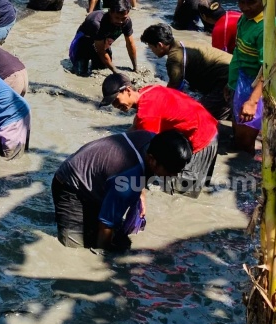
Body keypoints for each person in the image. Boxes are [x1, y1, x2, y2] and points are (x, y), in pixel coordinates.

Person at [52, 130, 192, 252]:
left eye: (178, 171)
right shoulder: (128, 182)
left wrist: (140, 193)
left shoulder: (155, 140)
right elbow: (106, 223)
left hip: (97, 178)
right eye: (171, 171)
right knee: (75, 250)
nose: (175, 176)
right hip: (70, 185)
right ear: (152, 160)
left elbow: (139, 170)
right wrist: (104, 257)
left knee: (116, 236)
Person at [100, 73, 218, 198]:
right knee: (199, 186)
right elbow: (134, 130)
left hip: (202, 138)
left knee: (181, 194)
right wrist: (108, 148)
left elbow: (148, 157)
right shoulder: (148, 91)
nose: (116, 106)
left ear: (127, 90)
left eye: (116, 100)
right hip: (207, 126)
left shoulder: (147, 114)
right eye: (112, 103)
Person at [140, 23, 232, 120]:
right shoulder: (182, 44)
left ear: (159, 45)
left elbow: (173, 90)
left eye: (151, 47)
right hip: (234, 71)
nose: (151, 51)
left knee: (199, 116)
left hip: (227, 79)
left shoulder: (174, 58)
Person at [225, 0, 264, 155]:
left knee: (245, 141)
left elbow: (270, 70)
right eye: (242, 1)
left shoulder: (265, 28)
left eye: (251, 2)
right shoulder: (245, 18)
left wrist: (253, 101)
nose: (245, 7)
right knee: (237, 132)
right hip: (239, 81)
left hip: (255, 87)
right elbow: (238, 53)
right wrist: (230, 83)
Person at [69, 0, 137, 76]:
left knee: (102, 70)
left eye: (123, 18)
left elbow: (130, 44)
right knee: (80, 75)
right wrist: (116, 73)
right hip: (82, 45)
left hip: (102, 43)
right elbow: (101, 51)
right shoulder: (97, 23)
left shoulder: (126, 22)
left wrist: (135, 67)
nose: (120, 22)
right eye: (117, 18)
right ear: (110, 12)